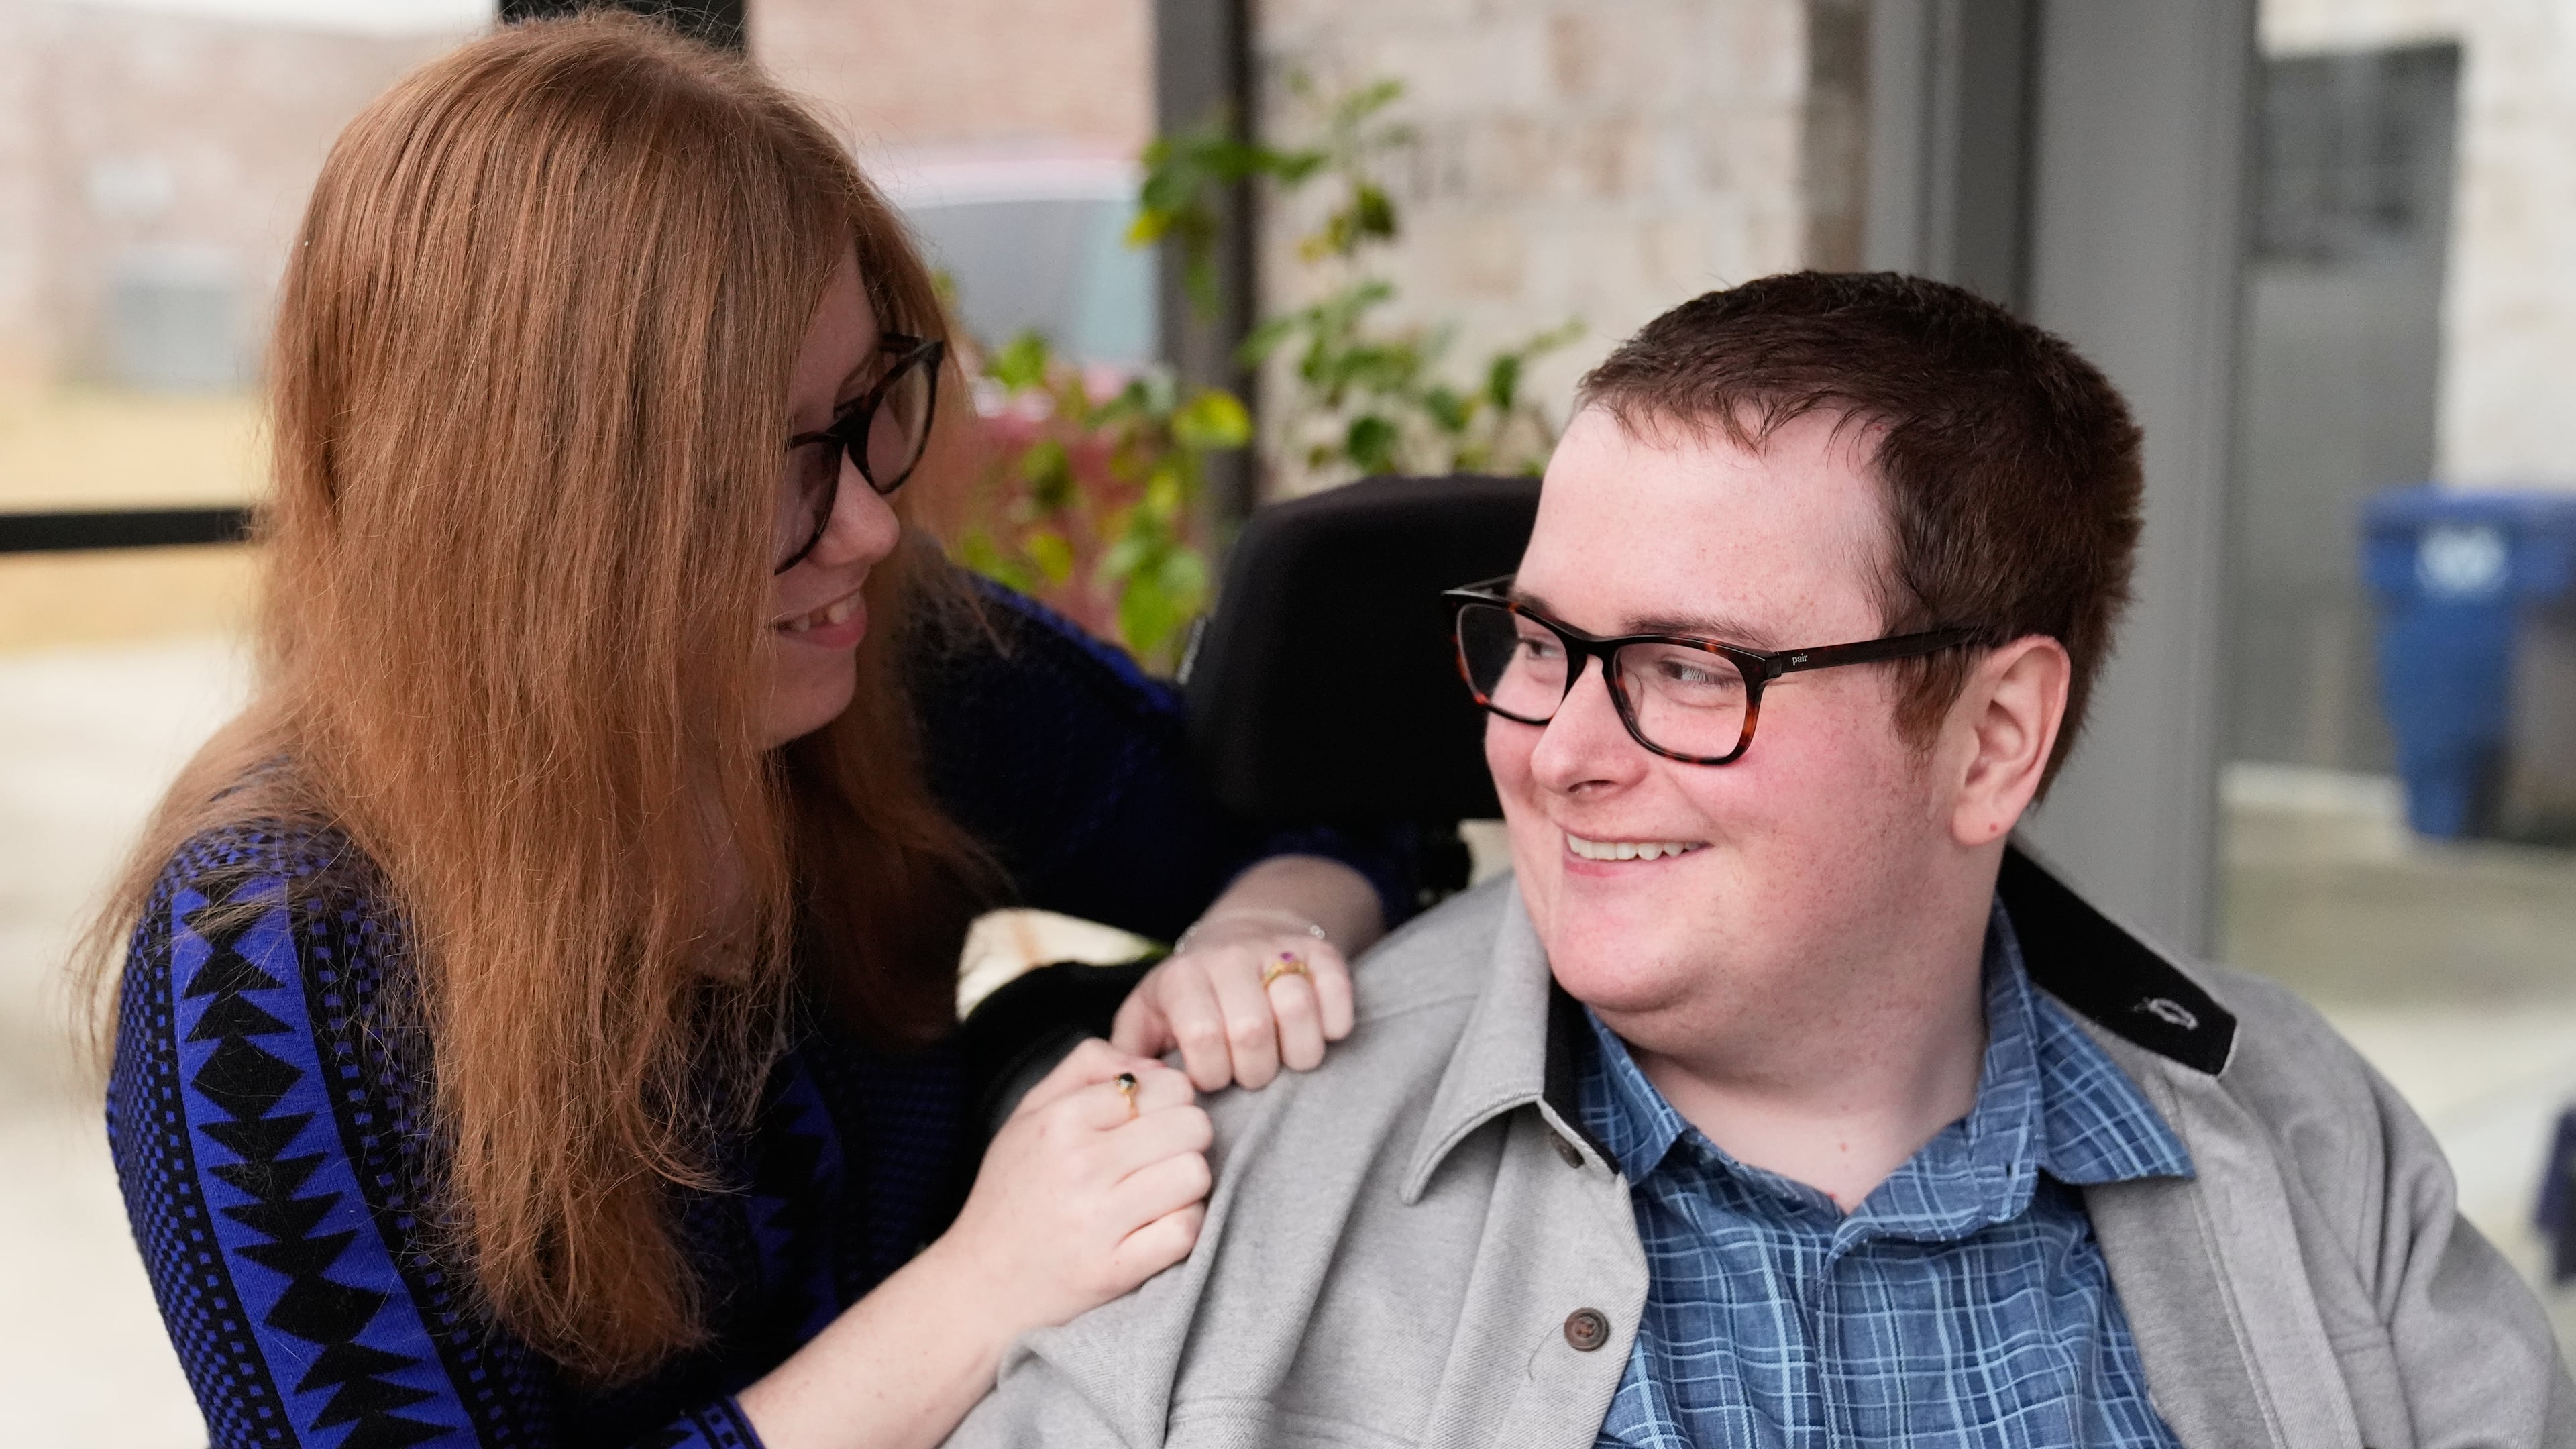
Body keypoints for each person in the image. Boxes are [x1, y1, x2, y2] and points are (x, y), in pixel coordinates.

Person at [947, 273, 2576, 1447]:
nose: (1558, 746)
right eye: (1537, 642)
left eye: (1689, 667)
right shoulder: (1225, 1180)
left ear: (1994, 739)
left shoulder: (2306, 1135)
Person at [83, 15, 1402, 1449]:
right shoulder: (268, 968)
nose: (870, 524)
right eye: (766, 466)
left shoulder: (881, 662)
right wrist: (981, 1288)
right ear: (519, 513)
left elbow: (1334, 813)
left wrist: (1255, 936)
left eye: (858, 413)